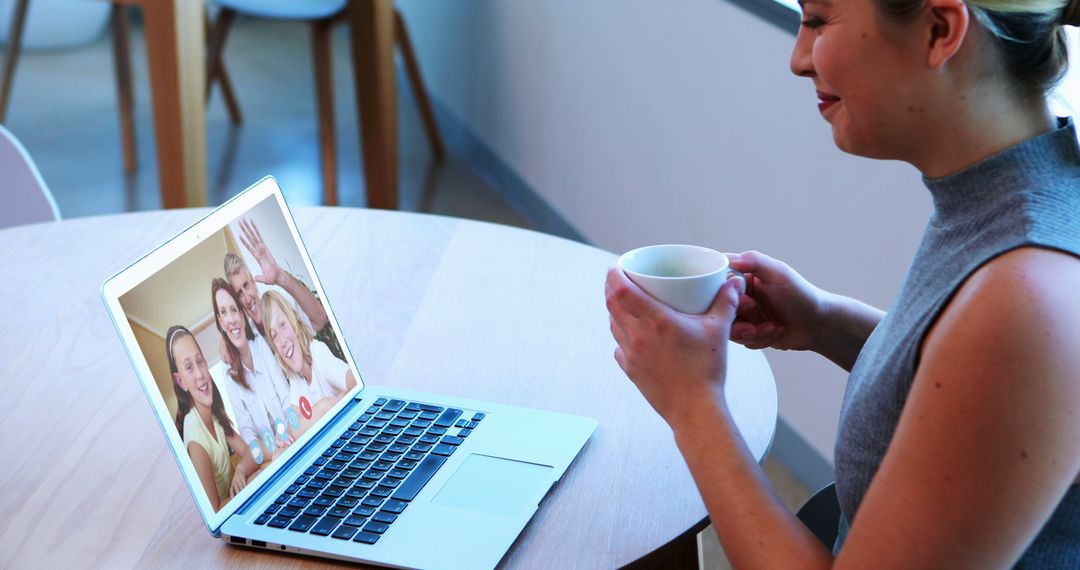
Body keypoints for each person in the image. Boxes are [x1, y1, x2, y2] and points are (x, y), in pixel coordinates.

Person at [605, 0, 1080, 566]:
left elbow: (1008, 347)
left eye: (818, 20)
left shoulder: (1028, 297)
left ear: (939, 29)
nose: (798, 60)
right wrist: (826, 324)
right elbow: (969, 391)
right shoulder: (1018, 193)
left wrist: (692, 404)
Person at [166, 326, 257, 511]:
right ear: (181, 381)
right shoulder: (195, 441)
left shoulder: (215, 416)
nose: (200, 374)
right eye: (189, 367)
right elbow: (216, 511)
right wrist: (255, 481)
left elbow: (249, 452)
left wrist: (240, 470)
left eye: (200, 362)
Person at [212, 278, 294, 463]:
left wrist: (286, 433)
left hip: (291, 431)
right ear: (221, 323)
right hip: (269, 452)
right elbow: (247, 431)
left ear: (242, 315)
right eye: (224, 313)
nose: (232, 319)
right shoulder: (228, 373)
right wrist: (273, 447)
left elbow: (286, 396)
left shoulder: (260, 346)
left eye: (234, 310)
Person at [261, 290, 355, 433]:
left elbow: (354, 380)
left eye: (282, 325)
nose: (282, 341)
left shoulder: (318, 352)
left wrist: (321, 411)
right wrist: (324, 407)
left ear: (293, 321)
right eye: (274, 336)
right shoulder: (296, 380)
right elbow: (294, 428)